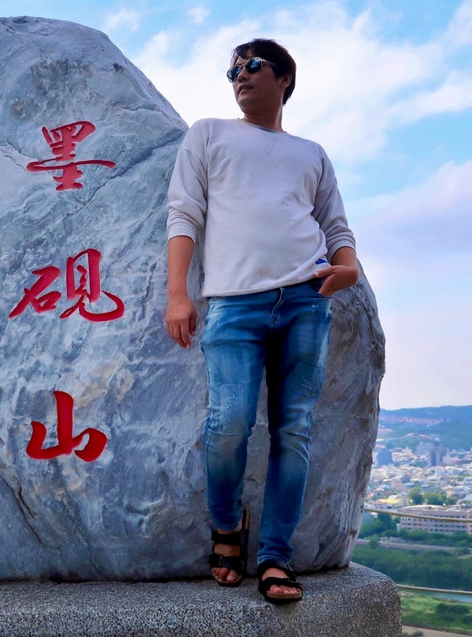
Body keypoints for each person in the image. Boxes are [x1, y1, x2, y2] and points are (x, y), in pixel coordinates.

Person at [164, 38, 358, 603]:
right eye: (232, 71)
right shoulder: (209, 134)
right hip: (233, 303)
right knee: (228, 423)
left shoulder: (311, 153)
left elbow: (335, 225)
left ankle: (275, 557)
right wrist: (178, 293)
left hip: (306, 300)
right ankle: (228, 527)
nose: (239, 76)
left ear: (284, 78)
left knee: (293, 430)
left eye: (251, 66)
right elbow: (184, 212)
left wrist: (347, 268)